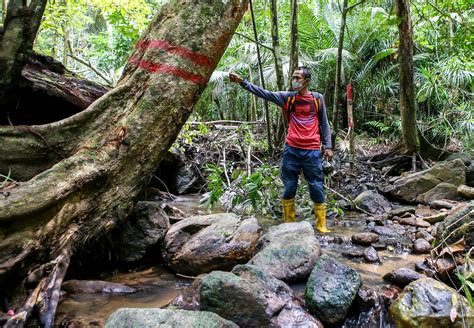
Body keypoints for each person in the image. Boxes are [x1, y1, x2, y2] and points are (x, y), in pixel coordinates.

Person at [229, 67, 333, 233]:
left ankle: (321, 225)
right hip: (291, 149)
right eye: (293, 77)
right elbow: (264, 93)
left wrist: (328, 146)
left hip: (312, 151)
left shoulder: (317, 99)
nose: (295, 80)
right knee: (289, 187)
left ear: (307, 81)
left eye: (298, 78)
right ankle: (289, 224)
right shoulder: (287, 98)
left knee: (316, 186)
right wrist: (242, 82)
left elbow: (324, 123)